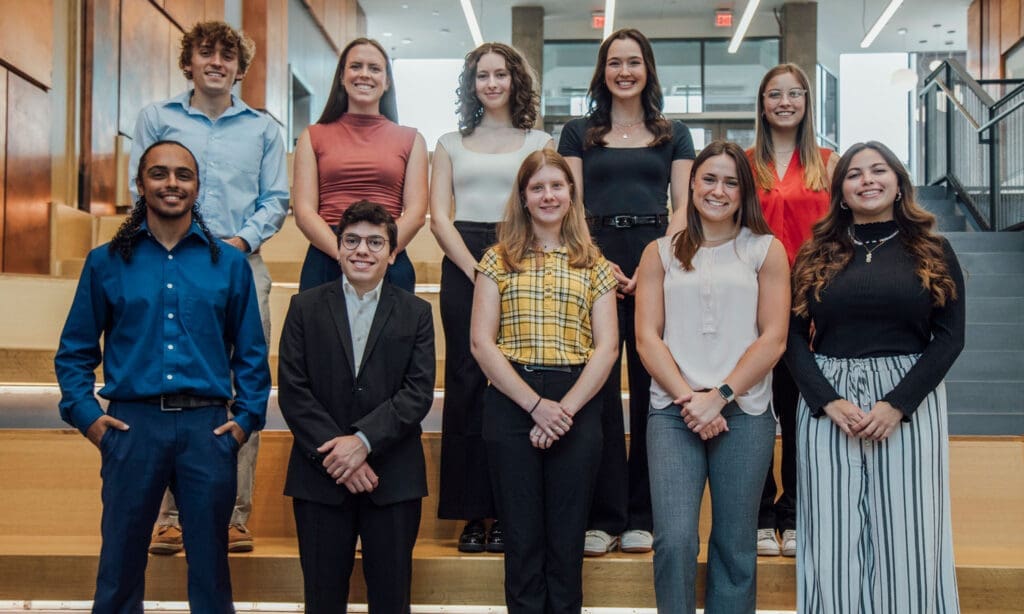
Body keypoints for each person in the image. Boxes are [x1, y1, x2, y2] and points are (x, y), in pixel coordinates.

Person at [55, 140, 270, 613]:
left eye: (183, 175)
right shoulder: (105, 262)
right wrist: (89, 418)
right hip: (132, 429)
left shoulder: (229, 265)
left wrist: (245, 420)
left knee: (212, 574)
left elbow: (252, 355)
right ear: (140, 184)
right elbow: (74, 354)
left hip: (208, 431)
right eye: (159, 173)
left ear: (197, 186)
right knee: (119, 568)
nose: (171, 183)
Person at [128, 20, 289, 555]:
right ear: (189, 63)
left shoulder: (265, 128)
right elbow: (142, 185)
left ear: (240, 67)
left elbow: (276, 200)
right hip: (167, 262)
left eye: (227, 55)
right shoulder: (157, 118)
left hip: (241, 264)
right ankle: (171, 518)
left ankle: (235, 517)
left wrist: (238, 244)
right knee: (173, 384)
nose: (216, 62)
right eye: (206, 53)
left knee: (244, 386)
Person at [787, 141, 964, 613]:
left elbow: (950, 338)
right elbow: (790, 338)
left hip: (908, 399)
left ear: (898, 182)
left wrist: (897, 404)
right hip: (829, 403)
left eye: (878, 170)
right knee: (831, 534)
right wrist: (827, 400)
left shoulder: (933, 249)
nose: (867, 180)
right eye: (854, 174)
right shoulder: (815, 251)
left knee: (909, 533)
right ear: (841, 192)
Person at [635, 141, 789, 613]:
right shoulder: (658, 252)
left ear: (744, 192)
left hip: (744, 411)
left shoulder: (766, 250)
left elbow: (774, 338)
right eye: (709, 179)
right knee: (676, 540)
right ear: (691, 184)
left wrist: (719, 396)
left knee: (735, 544)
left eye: (730, 182)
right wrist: (690, 399)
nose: (718, 190)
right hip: (673, 412)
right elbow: (647, 338)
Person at [558, 27, 695, 556]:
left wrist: (654, 258)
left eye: (633, 62)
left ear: (647, 69)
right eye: (614, 62)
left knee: (650, 390)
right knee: (596, 391)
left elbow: (683, 205)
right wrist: (596, 260)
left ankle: (643, 514)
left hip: (657, 251)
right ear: (602, 71)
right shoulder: (578, 133)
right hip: (590, 252)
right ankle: (603, 515)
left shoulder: (673, 133)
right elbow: (569, 203)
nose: (624, 71)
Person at [471, 149, 618, 613]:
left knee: (567, 536)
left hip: (576, 401)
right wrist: (536, 406)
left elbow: (608, 348)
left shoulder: (594, 263)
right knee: (521, 537)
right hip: (514, 402)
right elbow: (481, 343)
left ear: (571, 195)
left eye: (557, 186)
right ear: (524, 197)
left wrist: (564, 409)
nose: (548, 195)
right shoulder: (497, 260)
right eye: (538, 187)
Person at [278, 200, 436, 614]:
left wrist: (363, 442)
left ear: (392, 252)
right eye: (351, 240)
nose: (361, 250)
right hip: (320, 475)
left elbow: (417, 392)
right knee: (322, 600)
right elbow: (294, 389)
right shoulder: (304, 307)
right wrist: (339, 449)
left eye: (374, 242)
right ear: (338, 246)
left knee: (391, 600)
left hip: (393, 476)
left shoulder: (417, 313)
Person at [430, 42, 552, 553]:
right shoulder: (448, 142)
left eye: (501, 74)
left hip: (521, 257)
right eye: (483, 75)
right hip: (464, 260)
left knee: (514, 381)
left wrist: (504, 267)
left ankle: (509, 510)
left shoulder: (539, 140)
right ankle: (470, 512)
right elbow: (439, 215)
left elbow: (549, 204)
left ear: (515, 80)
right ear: (471, 84)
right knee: (465, 383)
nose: (493, 83)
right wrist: (477, 269)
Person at [746, 63, 838, 558]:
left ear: (807, 102)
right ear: (762, 103)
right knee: (755, 408)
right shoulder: (743, 162)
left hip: (811, 303)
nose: (784, 102)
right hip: (752, 305)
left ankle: (796, 509)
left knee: (801, 410)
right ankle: (761, 512)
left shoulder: (829, 162)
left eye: (794, 94)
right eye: (774, 94)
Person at [293, 37, 428, 293]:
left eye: (374, 68)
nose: (364, 74)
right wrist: (346, 252)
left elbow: (416, 213)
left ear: (387, 81)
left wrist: (376, 251)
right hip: (328, 254)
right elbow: (304, 212)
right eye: (356, 66)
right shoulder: (312, 135)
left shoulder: (412, 139)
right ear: (342, 77)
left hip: (388, 256)